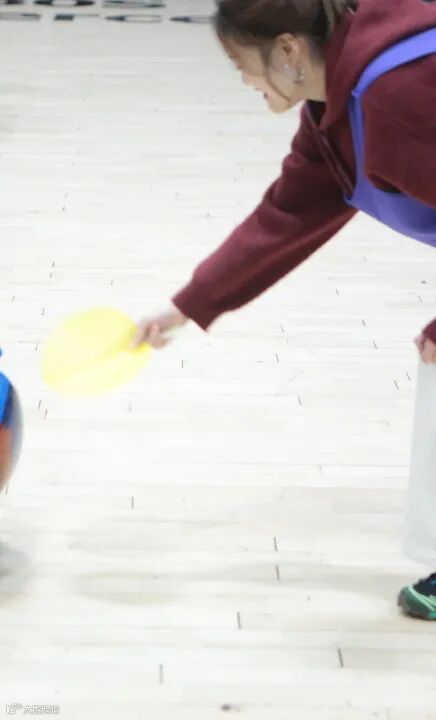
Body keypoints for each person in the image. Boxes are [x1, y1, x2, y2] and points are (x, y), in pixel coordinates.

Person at [134, 0, 436, 619]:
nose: (245, 81)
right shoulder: (340, 102)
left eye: (240, 64)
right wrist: (189, 305)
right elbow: (291, 211)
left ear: (289, 49)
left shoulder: (396, 95)